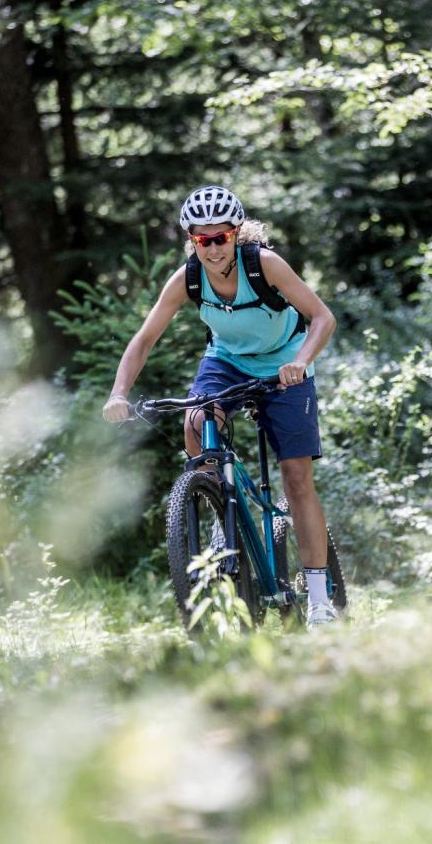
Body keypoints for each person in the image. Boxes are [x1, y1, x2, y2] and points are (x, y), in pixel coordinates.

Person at [102, 185, 340, 625]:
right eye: (201, 240)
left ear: (236, 234)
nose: (211, 249)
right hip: (226, 362)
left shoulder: (265, 264)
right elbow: (145, 338)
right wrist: (118, 393)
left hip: (283, 364)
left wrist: (301, 363)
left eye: (220, 238)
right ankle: (217, 503)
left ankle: (320, 600)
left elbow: (323, 317)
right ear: (191, 240)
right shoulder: (188, 278)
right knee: (195, 420)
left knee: (296, 478)